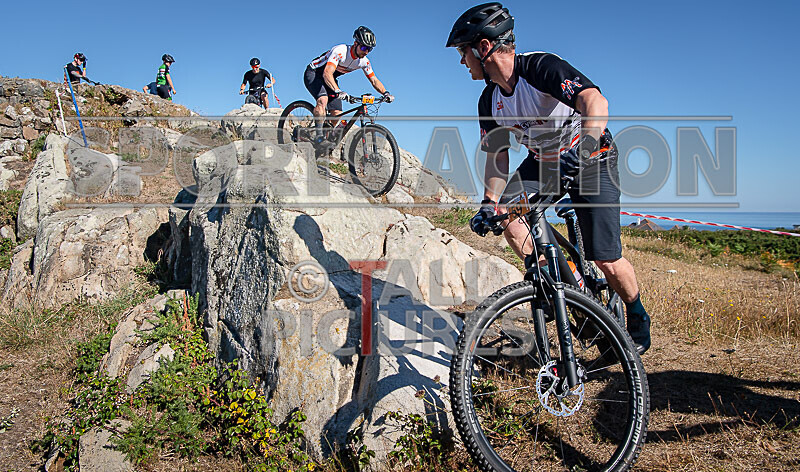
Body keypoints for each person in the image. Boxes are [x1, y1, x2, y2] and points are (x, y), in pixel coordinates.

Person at [447, 3, 652, 354]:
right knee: (508, 218)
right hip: (543, 163)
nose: (462, 62)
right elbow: (497, 156)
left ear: (483, 47)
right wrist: (489, 203)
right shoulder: (489, 100)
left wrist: (584, 150)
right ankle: (568, 288)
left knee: (605, 257)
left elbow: (595, 102)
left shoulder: (540, 67)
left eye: (463, 52)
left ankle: (636, 313)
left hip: (591, 157)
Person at [304, 26, 394, 147]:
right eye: (364, 47)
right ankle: (319, 138)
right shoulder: (340, 51)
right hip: (314, 74)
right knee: (323, 100)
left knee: (337, 113)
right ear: (355, 43)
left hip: (330, 78)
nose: (366, 52)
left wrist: (385, 93)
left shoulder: (364, 61)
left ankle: (324, 141)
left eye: (369, 49)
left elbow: (374, 80)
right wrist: (338, 90)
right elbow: (327, 73)